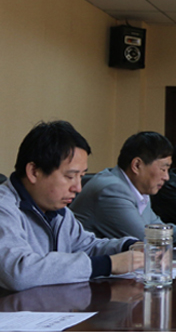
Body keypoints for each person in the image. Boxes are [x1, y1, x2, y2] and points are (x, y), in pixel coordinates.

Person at [0, 121, 141, 291]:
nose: (78, 188)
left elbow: (85, 246)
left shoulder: (58, 210)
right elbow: (19, 272)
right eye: (70, 176)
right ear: (33, 172)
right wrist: (109, 264)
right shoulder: (4, 207)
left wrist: (128, 246)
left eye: (81, 176)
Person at [71, 132, 176, 245]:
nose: (166, 177)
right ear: (137, 165)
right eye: (163, 169)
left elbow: (159, 228)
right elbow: (147, 237)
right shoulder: (112, 190)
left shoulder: (137, 188)